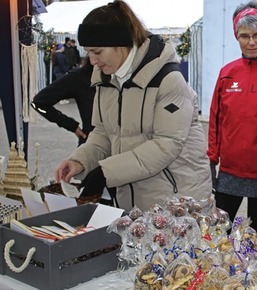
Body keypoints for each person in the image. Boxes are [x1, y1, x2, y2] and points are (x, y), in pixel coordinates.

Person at [54, 0, 212, 211]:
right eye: (88, 52)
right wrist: (80, 161)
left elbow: (166, 144)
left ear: (121, 45)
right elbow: (102, 134)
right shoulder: (106, 80)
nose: (92, 60)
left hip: (177, 201)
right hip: (133, 201)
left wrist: (105, 172)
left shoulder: (168, 79)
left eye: (98, 52)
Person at [207, 1, 257, 234]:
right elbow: (215, 117)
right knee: (218, 235)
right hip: (229, 172)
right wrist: (212, 157)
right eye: (244, 36)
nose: (251, 42)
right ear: (236, 36)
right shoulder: (227, 73)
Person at [31, 60, 95, 146]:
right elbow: (39, 102)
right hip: (91, 146)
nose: (94, 58)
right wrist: (71, 125)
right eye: (92, 52)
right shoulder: (80, 76)